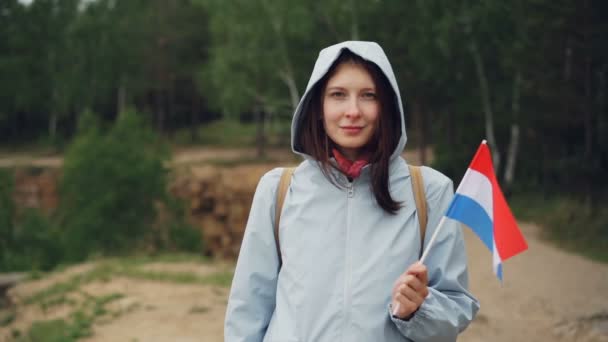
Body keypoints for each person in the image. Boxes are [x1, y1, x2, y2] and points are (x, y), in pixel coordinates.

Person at [224, 41, 479, 342]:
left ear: (386, 106)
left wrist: (418, 310)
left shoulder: (430, 192)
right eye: (338, 95)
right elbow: (247, 312)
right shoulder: (278, 190)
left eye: (368, 96)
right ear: (318, 107)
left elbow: (455, 307)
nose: (353, 111)